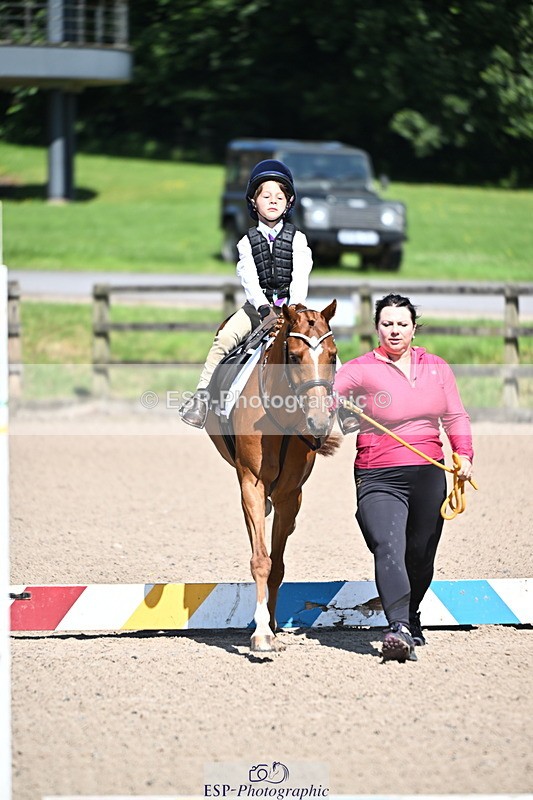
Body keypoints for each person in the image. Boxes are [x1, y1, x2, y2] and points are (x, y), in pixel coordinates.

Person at [334, 293, 474, 662]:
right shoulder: (360, 368)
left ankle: (411, 616)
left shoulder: (437, 368)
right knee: (388, 546)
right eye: (387, 324)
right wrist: (326, 399)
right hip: (378, 475)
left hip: (430, 473)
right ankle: (398, 628)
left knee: (421, 556)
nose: (394, 330)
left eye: (401, 324)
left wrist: (464, 454)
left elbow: (456, 416)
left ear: (413, 328)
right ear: (376, 328)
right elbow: (327, 394)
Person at [180, 159, 313, 428]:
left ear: (289, 202)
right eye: (266, 196)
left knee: (322, 343)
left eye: (279, 197)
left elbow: (301, 274)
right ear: (254, 201)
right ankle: (202, 396)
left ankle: (340, 403)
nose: (273, 201)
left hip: (293, 310)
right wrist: (263, 308)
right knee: (224, 338)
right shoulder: (245, 242)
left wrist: (295, 308)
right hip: (257, 310)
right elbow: (249, 278)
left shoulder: (298, 239)